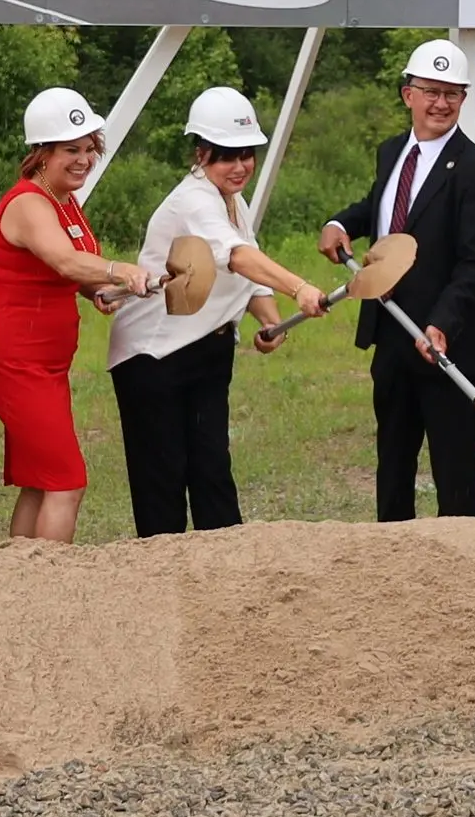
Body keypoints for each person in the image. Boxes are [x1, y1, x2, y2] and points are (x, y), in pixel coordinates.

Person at [108, 84, 337, 531]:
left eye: (246, 154)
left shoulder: (233, 200)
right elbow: (236, 256)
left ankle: (226, 581)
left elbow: (246, 274)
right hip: (153, 356)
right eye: (226, 155)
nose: (240, 166)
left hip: (208, 350)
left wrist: (272, 323)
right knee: (163, 477)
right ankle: (164, 582)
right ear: (201, 153)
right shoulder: (195, 200)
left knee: (212, 469)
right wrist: (300, 287)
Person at [320, 37, 475, 518]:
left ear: (464, 99)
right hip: (392, 330)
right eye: (431, 90)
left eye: (452, 93)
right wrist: (343, 224)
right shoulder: (392, 153)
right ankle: (392, 561)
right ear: (408, 93)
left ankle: (458, 572)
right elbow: (383, 211)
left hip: (453, 342)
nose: (441, 103)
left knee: (452, 468)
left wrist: (442, 324)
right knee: (393, 459)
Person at [0, 84, 152, 545]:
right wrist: (117, 269)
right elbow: (64, 260)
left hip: (48, 362)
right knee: (66, 481)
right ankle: (51, 585)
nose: (84, 159)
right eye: (71, 149)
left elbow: (70, 275)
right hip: (16, 360)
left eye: (89, 148)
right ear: (41, 152)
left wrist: (100, 289)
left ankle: (20, 582)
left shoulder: (65, 201)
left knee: (41, 479)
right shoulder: (29, 202)